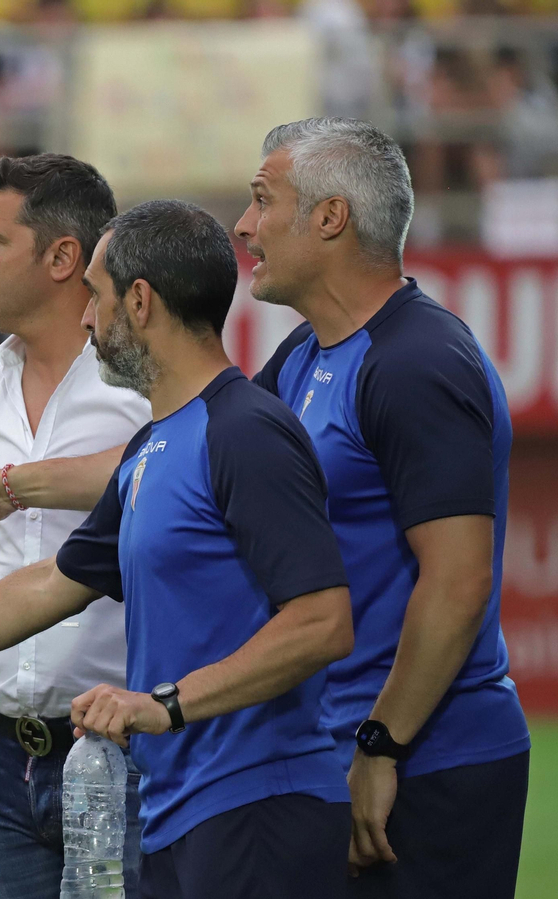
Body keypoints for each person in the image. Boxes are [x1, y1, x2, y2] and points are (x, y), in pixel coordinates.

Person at [0, 200, 356, 899]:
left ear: (140, 300)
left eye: (96, 297)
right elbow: (51, 583)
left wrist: (165, 703)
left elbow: (322, 620)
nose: (86, 318)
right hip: (180, 801)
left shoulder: (246, 431)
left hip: (254, 801)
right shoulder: (154, 447)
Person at [237, 116, 529, 899]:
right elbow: (192, 458)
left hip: (430, 760)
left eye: (263, 201)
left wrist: (382, 744)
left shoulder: (416, 363)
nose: (244, 227)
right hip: (345, 750)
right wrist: (20, 481)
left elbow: (459, 580)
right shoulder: (306, 353)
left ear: (330, 218)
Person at [0, 155, 150, 899]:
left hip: (126, 751)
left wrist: (13, 486)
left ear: (63, 257)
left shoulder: (144, 382)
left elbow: (180, 479)